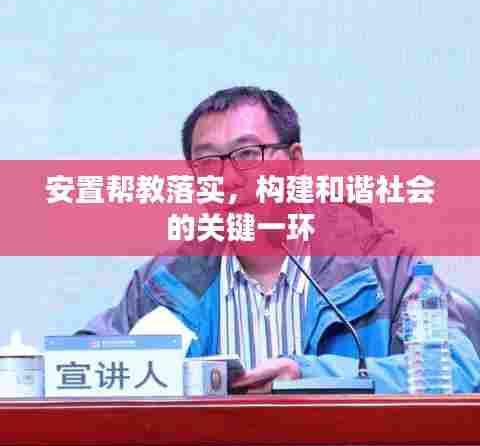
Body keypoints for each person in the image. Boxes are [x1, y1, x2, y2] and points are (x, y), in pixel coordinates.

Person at [78, 86, 480, 393]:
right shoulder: (167, 281)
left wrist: (310, 378)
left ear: (296, 161)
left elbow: (459, 368)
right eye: (208, 162)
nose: (228, 179)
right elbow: (83, 366)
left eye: (247, 155)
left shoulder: (382, 265)